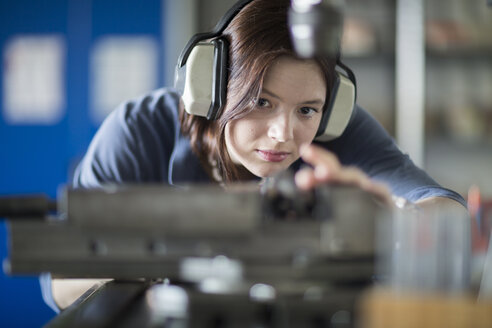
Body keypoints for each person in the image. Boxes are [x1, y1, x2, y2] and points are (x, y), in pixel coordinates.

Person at [42, 0, 466, 313]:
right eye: (261, 102)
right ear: (213, 88)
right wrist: (149, 261)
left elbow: (446, 209)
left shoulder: (338, 129)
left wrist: (390, 213)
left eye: (307, 110)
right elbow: (60, 283)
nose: (285, 134)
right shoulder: (139, 130)